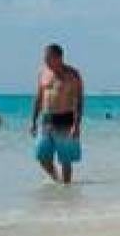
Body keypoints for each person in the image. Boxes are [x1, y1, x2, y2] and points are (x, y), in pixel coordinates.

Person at [31, 43, 84, 184]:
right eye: (45, 57)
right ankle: (57, 180)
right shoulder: (43, 74)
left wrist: (76, 125)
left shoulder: (73, 74)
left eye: (48, 57)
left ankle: (66, 188)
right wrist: (33, 121)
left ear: (59, 57)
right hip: (46, 120)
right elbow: (38, 98)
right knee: (41, 156)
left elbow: (79, 101)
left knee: (65, 159)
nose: (45, 60)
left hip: (65, 119)